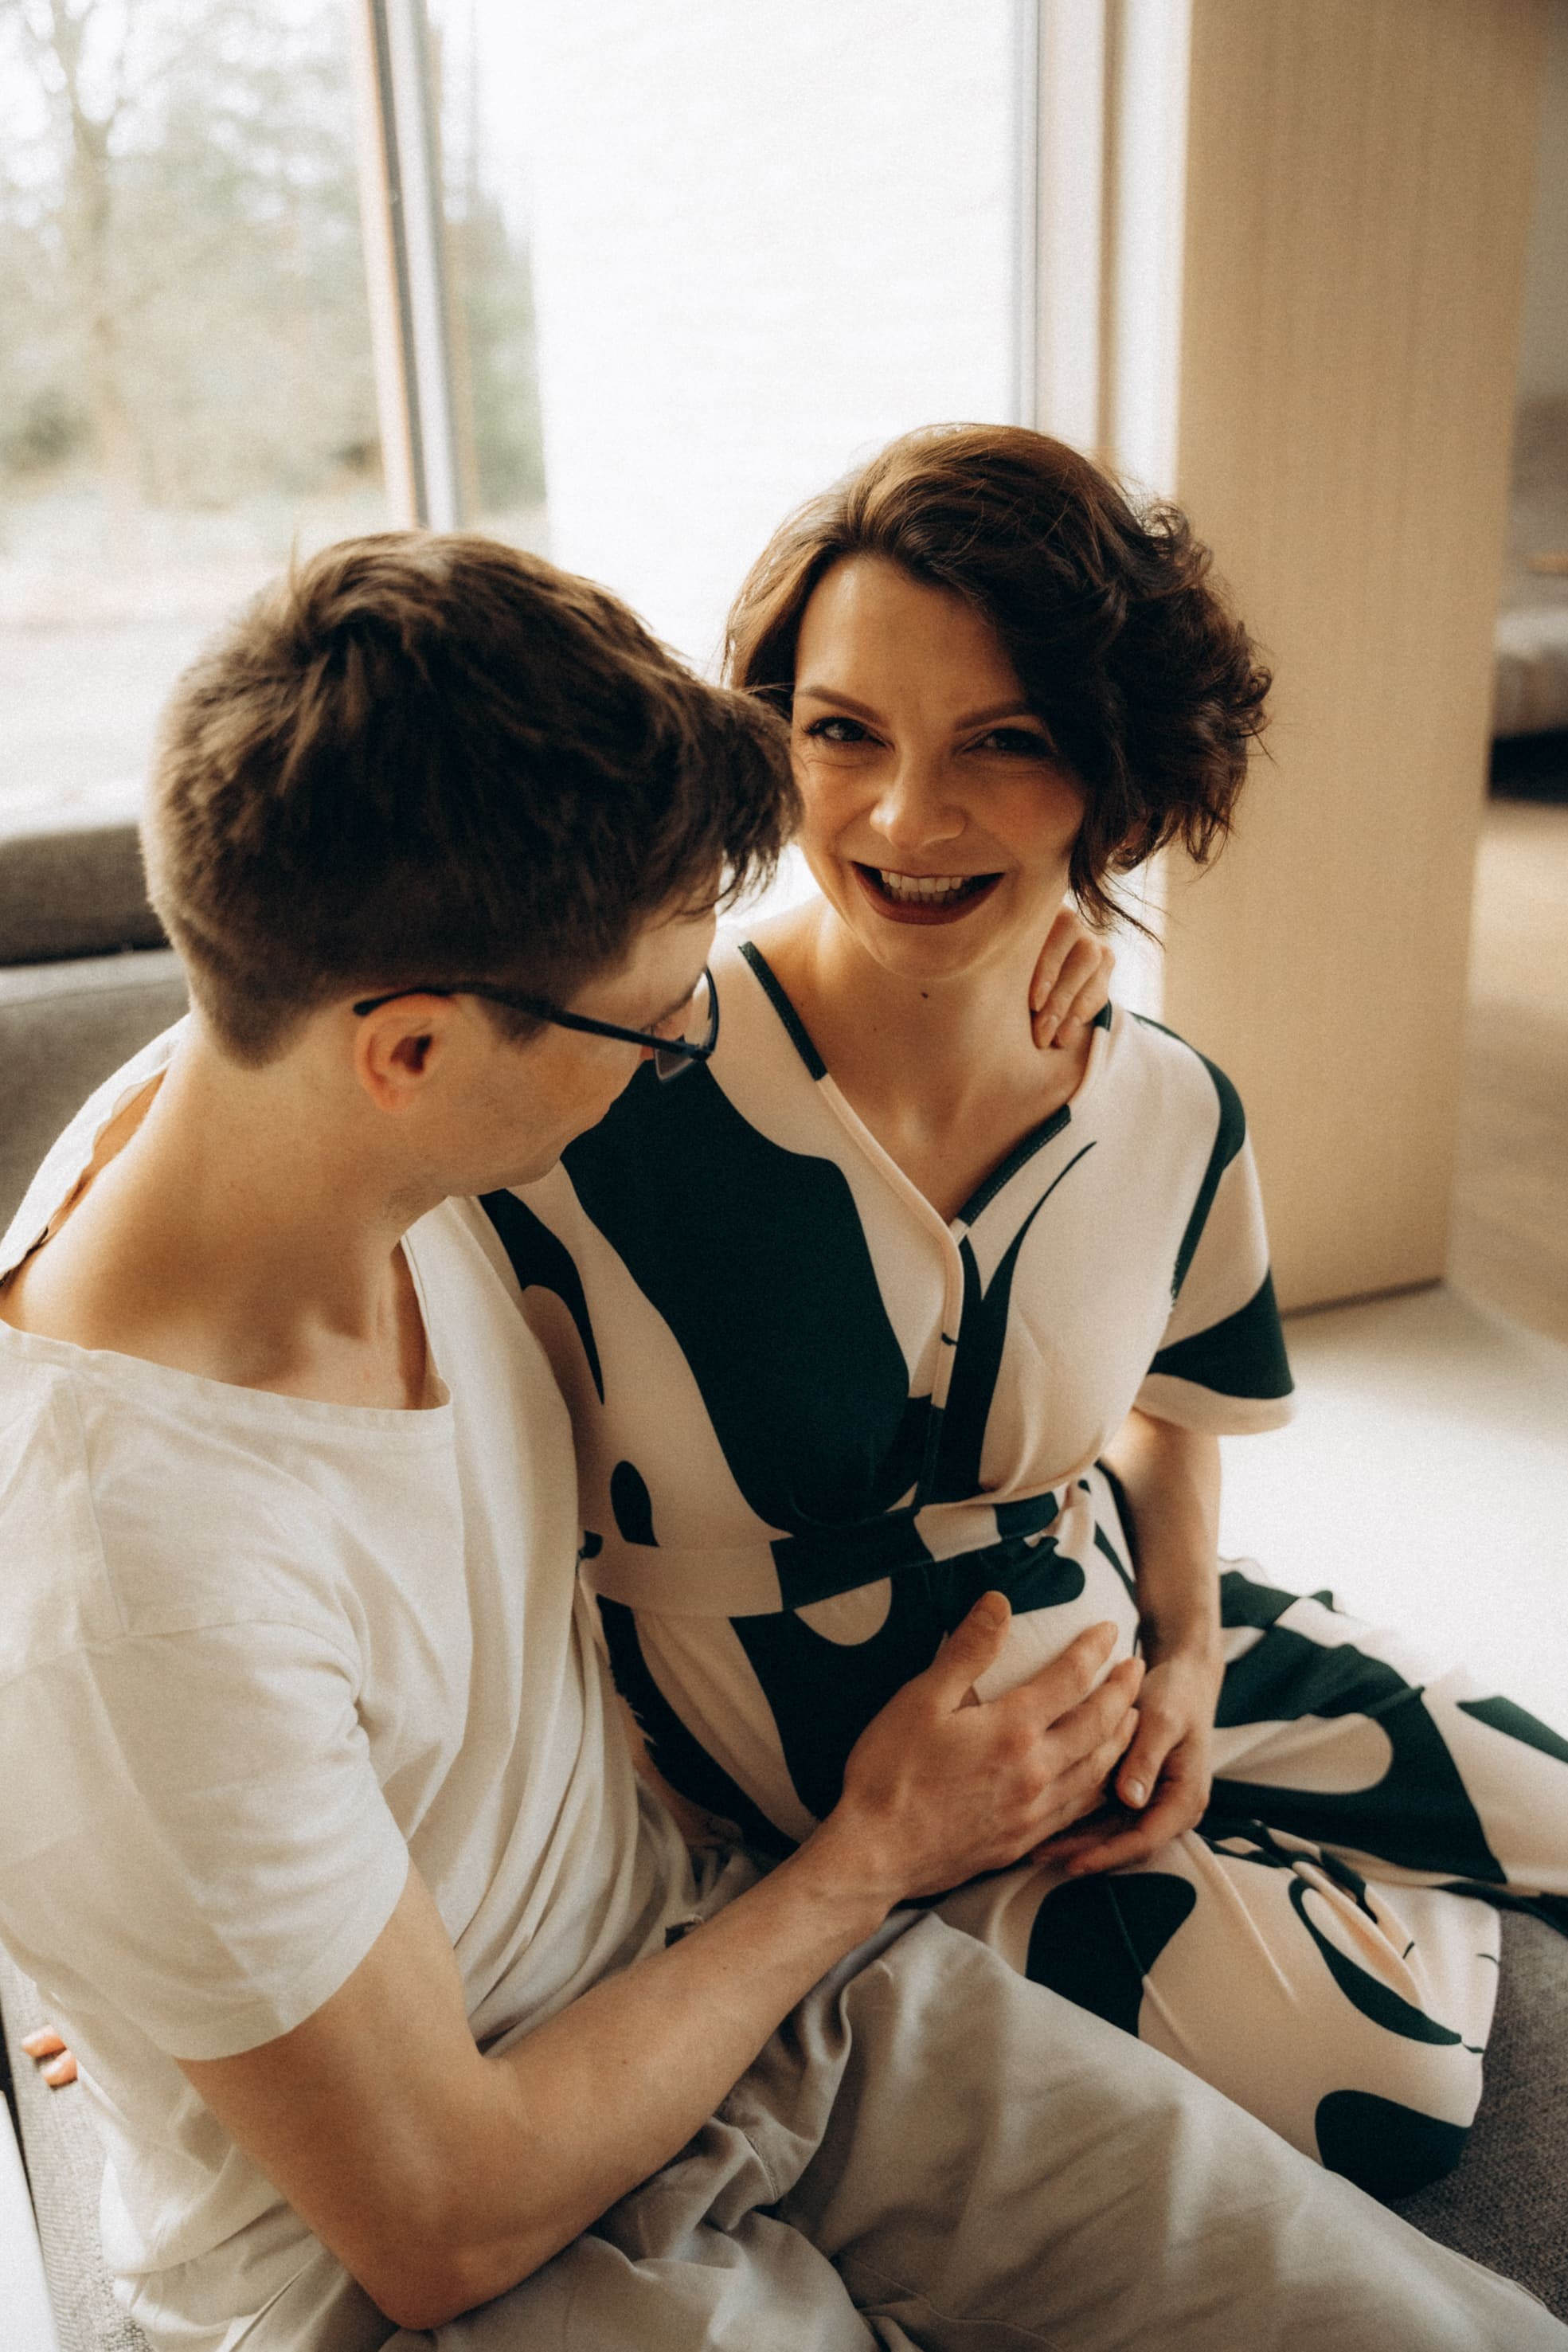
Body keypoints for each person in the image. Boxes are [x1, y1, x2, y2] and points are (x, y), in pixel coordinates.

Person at [0, 533, 1560, 2352]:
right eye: (659, 1028)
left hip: (742, 1976)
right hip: (420, 2271)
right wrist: (870, 1854)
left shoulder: (296, 1091)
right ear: (413, 1051)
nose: (694, 1040)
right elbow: (442, 2216)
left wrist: (1005, 948)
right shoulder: (134, 1582)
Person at [498, 424, 1568, 2203]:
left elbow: (1178, 1394)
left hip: (1119, 1627)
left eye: (1005, 743)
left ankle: (1268, 1784)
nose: (909, 820)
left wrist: (1188, 1641)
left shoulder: (1164, 1103)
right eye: (844, 734)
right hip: (857, 1794)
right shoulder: (611, 1093)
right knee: (1373, 2095)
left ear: (1115, 773)